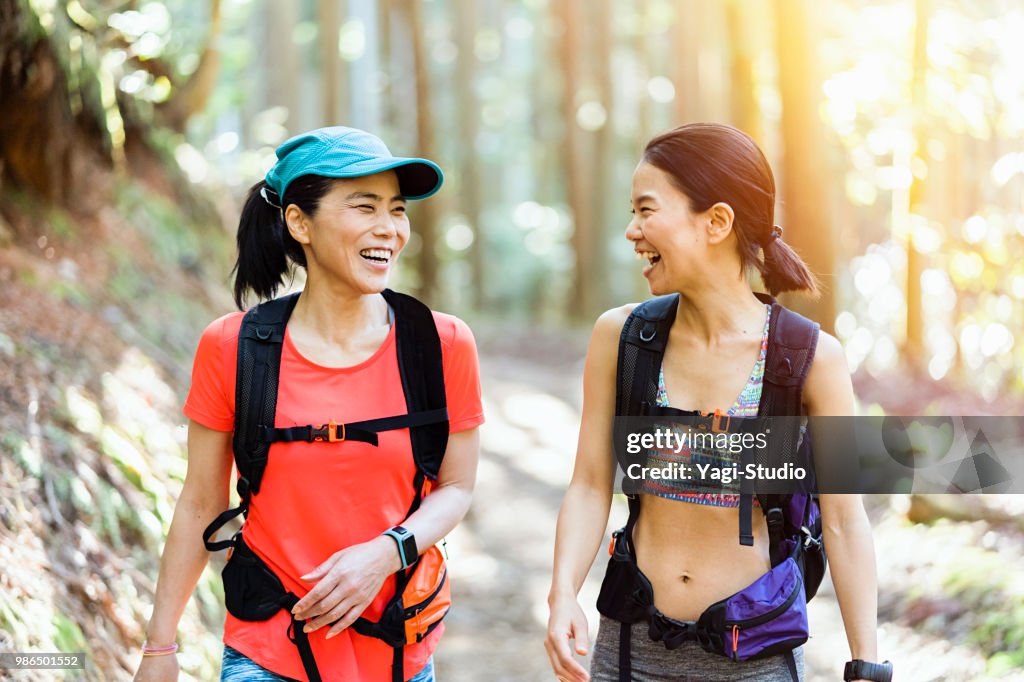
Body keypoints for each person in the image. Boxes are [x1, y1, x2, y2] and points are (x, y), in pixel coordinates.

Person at [134, 127, 483, 682]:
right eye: (364, 206)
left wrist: (385, 554)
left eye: (396, 209)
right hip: (267, 649)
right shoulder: (234, 348)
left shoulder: (439, 344)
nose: (389, 229)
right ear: (300, 223)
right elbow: (200, 502)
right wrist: (159, 646)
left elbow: (457, 488)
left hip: (397, 652)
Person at [545, 124, 889, 682]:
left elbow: (846, 521)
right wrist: (562, 595)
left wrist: (867, 663)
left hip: (755, 653)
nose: (632, 231)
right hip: (630, 647)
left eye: (646, 210)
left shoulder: (810, 358)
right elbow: (588, 484)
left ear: (717, 222)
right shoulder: (622, 338)